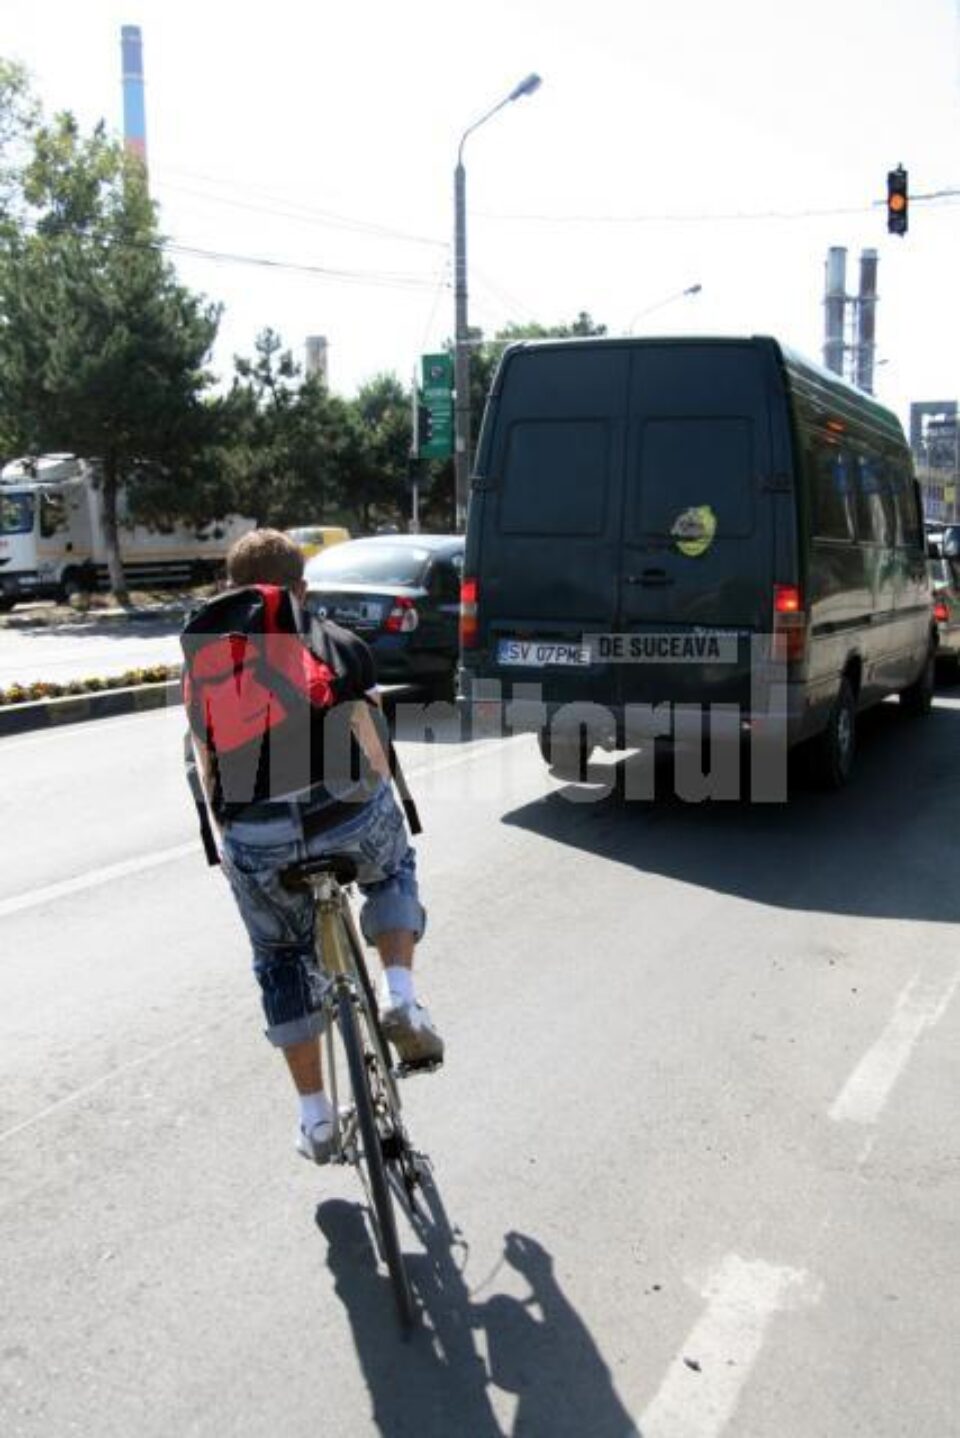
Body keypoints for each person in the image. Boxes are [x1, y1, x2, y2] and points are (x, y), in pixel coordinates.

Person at [184, 528, 443, 1166]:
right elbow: (375, 746)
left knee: (279, 956)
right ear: (302, 589)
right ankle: (400, 995)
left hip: (259, 835)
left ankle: (317, 1120)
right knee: (392, 868)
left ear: (229, 588)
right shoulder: (337, 641)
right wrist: (375, 806)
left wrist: (238, 849)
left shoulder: (208, 658)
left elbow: (206, 766)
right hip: (345, 811)